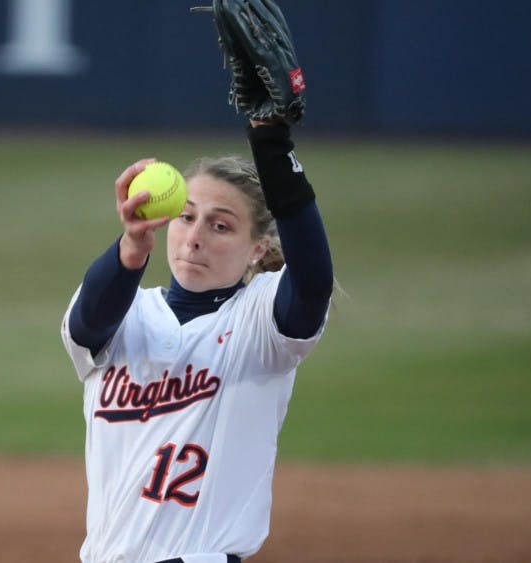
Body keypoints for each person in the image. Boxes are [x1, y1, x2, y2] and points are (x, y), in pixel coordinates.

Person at [59, 115, 333, 563]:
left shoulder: (260, 322)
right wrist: (131, 248)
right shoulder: (125, 311)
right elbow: (87, 325)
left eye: (220, 226)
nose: (195, 238)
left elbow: (312, 283)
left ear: (259, 248)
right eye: (186, 218)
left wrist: (273, 148)